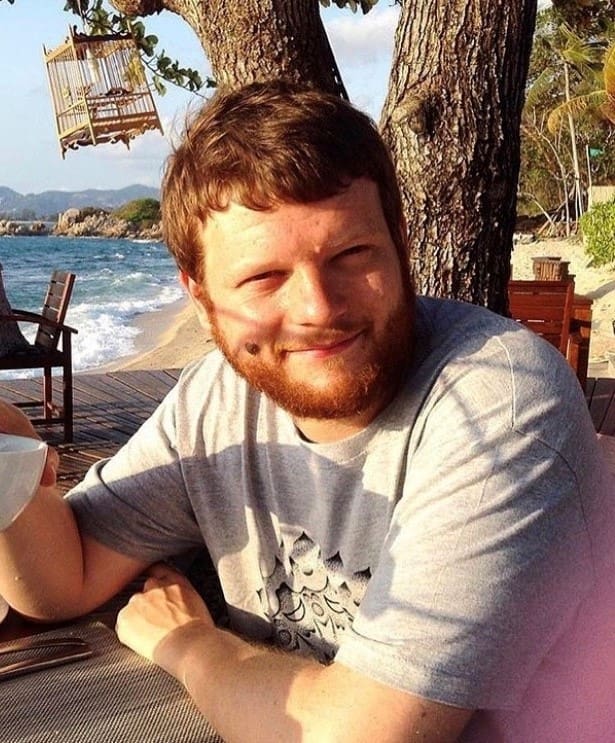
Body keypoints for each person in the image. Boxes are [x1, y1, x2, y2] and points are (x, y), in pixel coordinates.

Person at [1, 80, 613, 742]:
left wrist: (191, 645)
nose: (318, 308)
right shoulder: (217, 399)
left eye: (350, 255)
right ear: (201, 299)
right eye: (264, 278)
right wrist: (8, 449)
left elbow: (359, 736)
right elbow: (61, 581)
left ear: (400, 244)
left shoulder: (497, 408)